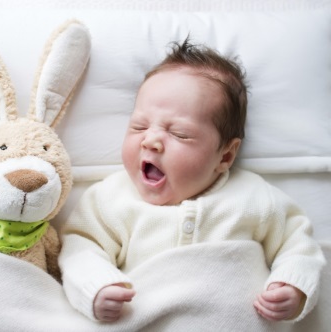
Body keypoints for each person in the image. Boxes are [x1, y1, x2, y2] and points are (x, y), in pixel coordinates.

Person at [59, 39, 325, 324]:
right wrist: (96, 287)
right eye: (139, 126)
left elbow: (298, 246)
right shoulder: (110, 199)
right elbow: (80, 249)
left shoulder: (255, 197)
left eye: (180, 134)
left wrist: (293, 285)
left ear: (225, 156)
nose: (150, 140)